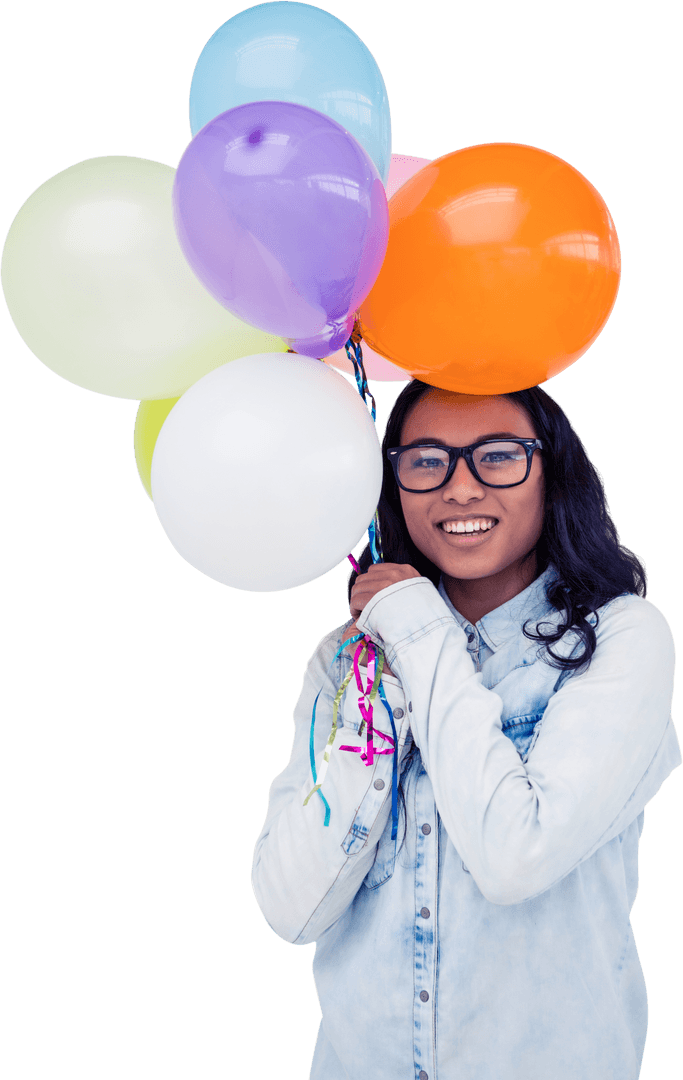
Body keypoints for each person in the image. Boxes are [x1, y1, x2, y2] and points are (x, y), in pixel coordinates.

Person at [250, 378, 680, 1080]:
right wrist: (382, 695)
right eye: (425, 460)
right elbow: (290, 910)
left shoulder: (622, 640)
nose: (460, 488)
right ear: (388, 481)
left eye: (499, 456)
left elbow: (517, 857)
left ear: (552, 470)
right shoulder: (346, 659)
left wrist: (420, 629)